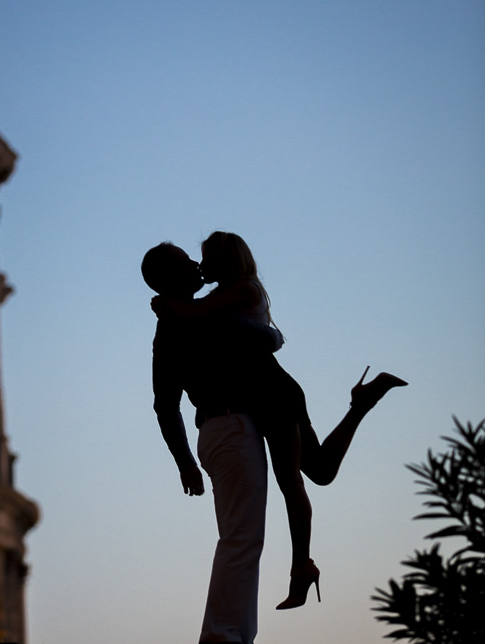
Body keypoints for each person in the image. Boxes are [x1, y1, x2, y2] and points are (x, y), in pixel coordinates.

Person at [151, 231, 407, 611]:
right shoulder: (218, 300)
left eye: (203, 259)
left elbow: (211, 319)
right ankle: (361, 404)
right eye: (191, 261)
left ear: (225, 261)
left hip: (272, 393)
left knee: (291, 481)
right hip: (271, 394)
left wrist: (163, 301)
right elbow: (167, 399)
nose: (199, 266)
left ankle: (300, 566)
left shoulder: (232, 294)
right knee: (320, 470)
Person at [141, 242, 282, 644]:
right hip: (231, 424)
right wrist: (184, 464)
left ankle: (237, 636)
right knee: (241, 534)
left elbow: (165, 403)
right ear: (171, 276)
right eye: (185, 261)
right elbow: (267, 340)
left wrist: (187, 462)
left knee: (243, 534)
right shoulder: (200, 316)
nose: (195, 264)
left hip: (220, 428)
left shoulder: (172, 323)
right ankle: (222, 636)